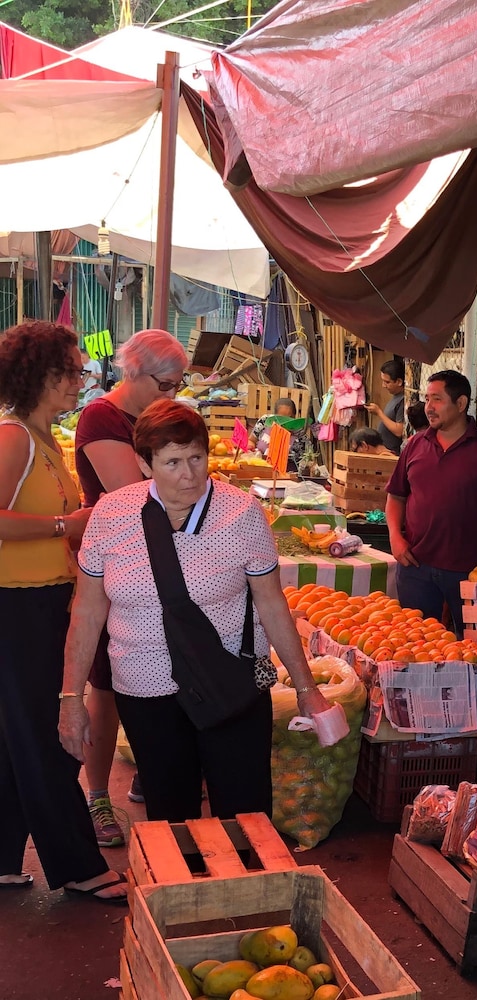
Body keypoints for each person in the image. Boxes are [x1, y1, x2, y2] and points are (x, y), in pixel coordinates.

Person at [59, 399, 329, 823]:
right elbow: (88, 611)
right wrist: (71, 698)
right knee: (170, 813)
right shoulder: (112, 515)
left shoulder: (242, 513)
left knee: (245, 813)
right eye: (172, 462)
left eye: (196, 458)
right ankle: (180, 885)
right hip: (144, 687)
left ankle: (244, 885)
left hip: (232, 682)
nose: (189, 475)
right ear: (144, 464)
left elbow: (272, 603)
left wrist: (305, 687)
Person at [0, 320, 127, 904]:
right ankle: (76, 862)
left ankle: (3, 856)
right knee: (47, 736)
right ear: (44, 375)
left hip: (46, 601)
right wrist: (63, 526)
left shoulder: (42, 435)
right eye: (74, 371)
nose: (82, 380)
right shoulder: (14, 438)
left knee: (15, 738)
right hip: (18, 609)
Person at [74, 328, 189, 844]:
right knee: (107, 685)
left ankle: (155, 769)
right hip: (116, 568)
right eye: (166, 383)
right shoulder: (101, 417)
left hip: (159, 568)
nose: (173, 394)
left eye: (179, 385)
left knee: (160, 672)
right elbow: (136, 493)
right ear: (134, 371)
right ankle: (97, 795)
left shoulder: (151, 417)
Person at [385, 370, 477, 633]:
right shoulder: (415, 445)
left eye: (437, 400)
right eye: (427, 399)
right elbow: (395, 496)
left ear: (461, 404)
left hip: (470, 571)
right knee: (416, 643)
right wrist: (395, 536)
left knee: (471, 646)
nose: (429, 408)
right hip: (416, 565)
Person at [249, 397, 306, 472]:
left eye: (289, 418)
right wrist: (250, 449)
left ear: (294, 416)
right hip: (259, 467)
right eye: (281, 418)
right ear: (274, 416)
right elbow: (251, 440)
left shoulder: (300, 433)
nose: (285, 422)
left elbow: (304, 460)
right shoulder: (264, 421)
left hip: (284, 473)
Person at [364, 359, 406, 454]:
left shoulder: (403, 400)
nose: (383, 385)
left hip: (392, 454)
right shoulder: (396, 397)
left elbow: (399, 431)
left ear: (399, 382)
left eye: (387, 382)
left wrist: (379, 412)